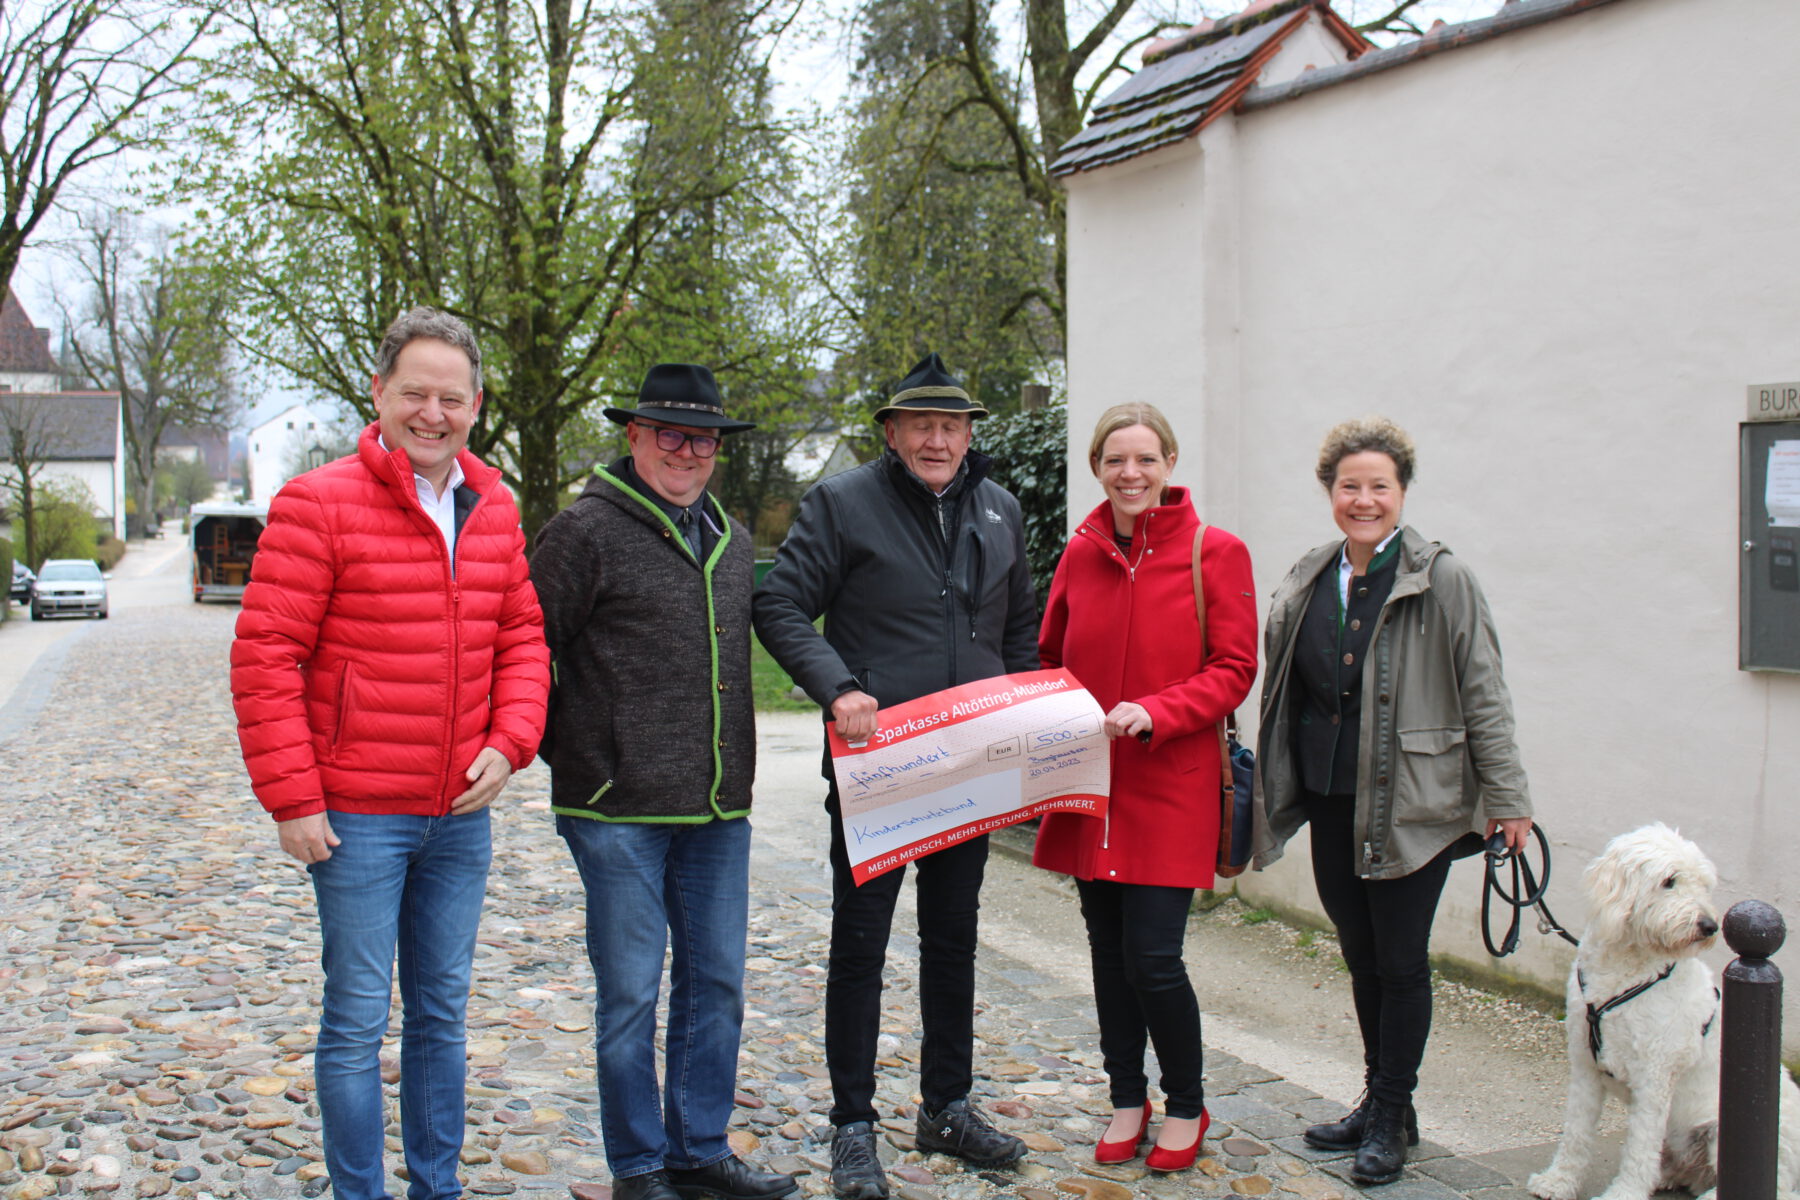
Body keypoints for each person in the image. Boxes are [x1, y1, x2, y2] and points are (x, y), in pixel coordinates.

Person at [231, 307, 550, 1200]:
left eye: (452, 398)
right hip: (359, 816)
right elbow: (265, 656)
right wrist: (293, 798)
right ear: (380, 394)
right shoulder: (317, 502)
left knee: (442, 1018)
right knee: (357, 1019)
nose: (433, 413)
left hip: (457, 815)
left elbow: (523, 636)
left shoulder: (495, 509)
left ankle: (436, 1188)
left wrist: (511, 740)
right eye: (415, 393)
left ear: (476, 405)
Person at [753, 352, 1038, 1200]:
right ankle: (852, 1125)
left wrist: (1018, 716)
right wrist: (837, 685)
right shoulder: (843, 504)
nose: (939, 439)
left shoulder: (1001, 509)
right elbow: (779, 604)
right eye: (922, 425)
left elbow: (1018, 625)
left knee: (953, 940)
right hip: (882, 767)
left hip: (971, 765)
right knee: (862, 946)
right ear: (892, 432)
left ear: (969, 433)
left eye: (952, 426)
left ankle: (945, 1106)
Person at [529, 365, 798, 1200]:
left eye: (704, 438)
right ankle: (638, 1167)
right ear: (635, 436)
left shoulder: (732, 536)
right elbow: (523, 649)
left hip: (718, 807)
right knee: (630, 996)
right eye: (671, 434)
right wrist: (575, 756)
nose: (688, 452)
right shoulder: (582, 532)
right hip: (617, 811)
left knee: (716, 982)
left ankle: (700, 1149)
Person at [1250, 417, 1534, 1185]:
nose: (1365, 499)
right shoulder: (1313, 572)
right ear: (1330, 493)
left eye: (1379, 485)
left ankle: (1391, 1118)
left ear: (1401, 491)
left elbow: (1484, 691)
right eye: (1351, 486)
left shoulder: (1442, 578)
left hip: (1415, 802)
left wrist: (1508, 798)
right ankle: (1385, 1103)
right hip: (1332, 796)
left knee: (1402, 963)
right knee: (1361, 954)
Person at [1032, 403, 1257, 1172]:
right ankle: (1127, 1096)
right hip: (1090, 787)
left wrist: (1157, 711)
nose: (1131, 474)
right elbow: (1050, 654)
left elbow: (1234, 669)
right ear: (1097, 466)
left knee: (1154, 958)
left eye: (1146, 459)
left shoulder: (1214, 552)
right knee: (1106, 954)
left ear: (1168, 464)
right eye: (1115, 460)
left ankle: (1187, 1104)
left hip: (1170, 786)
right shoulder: (1080, 552)